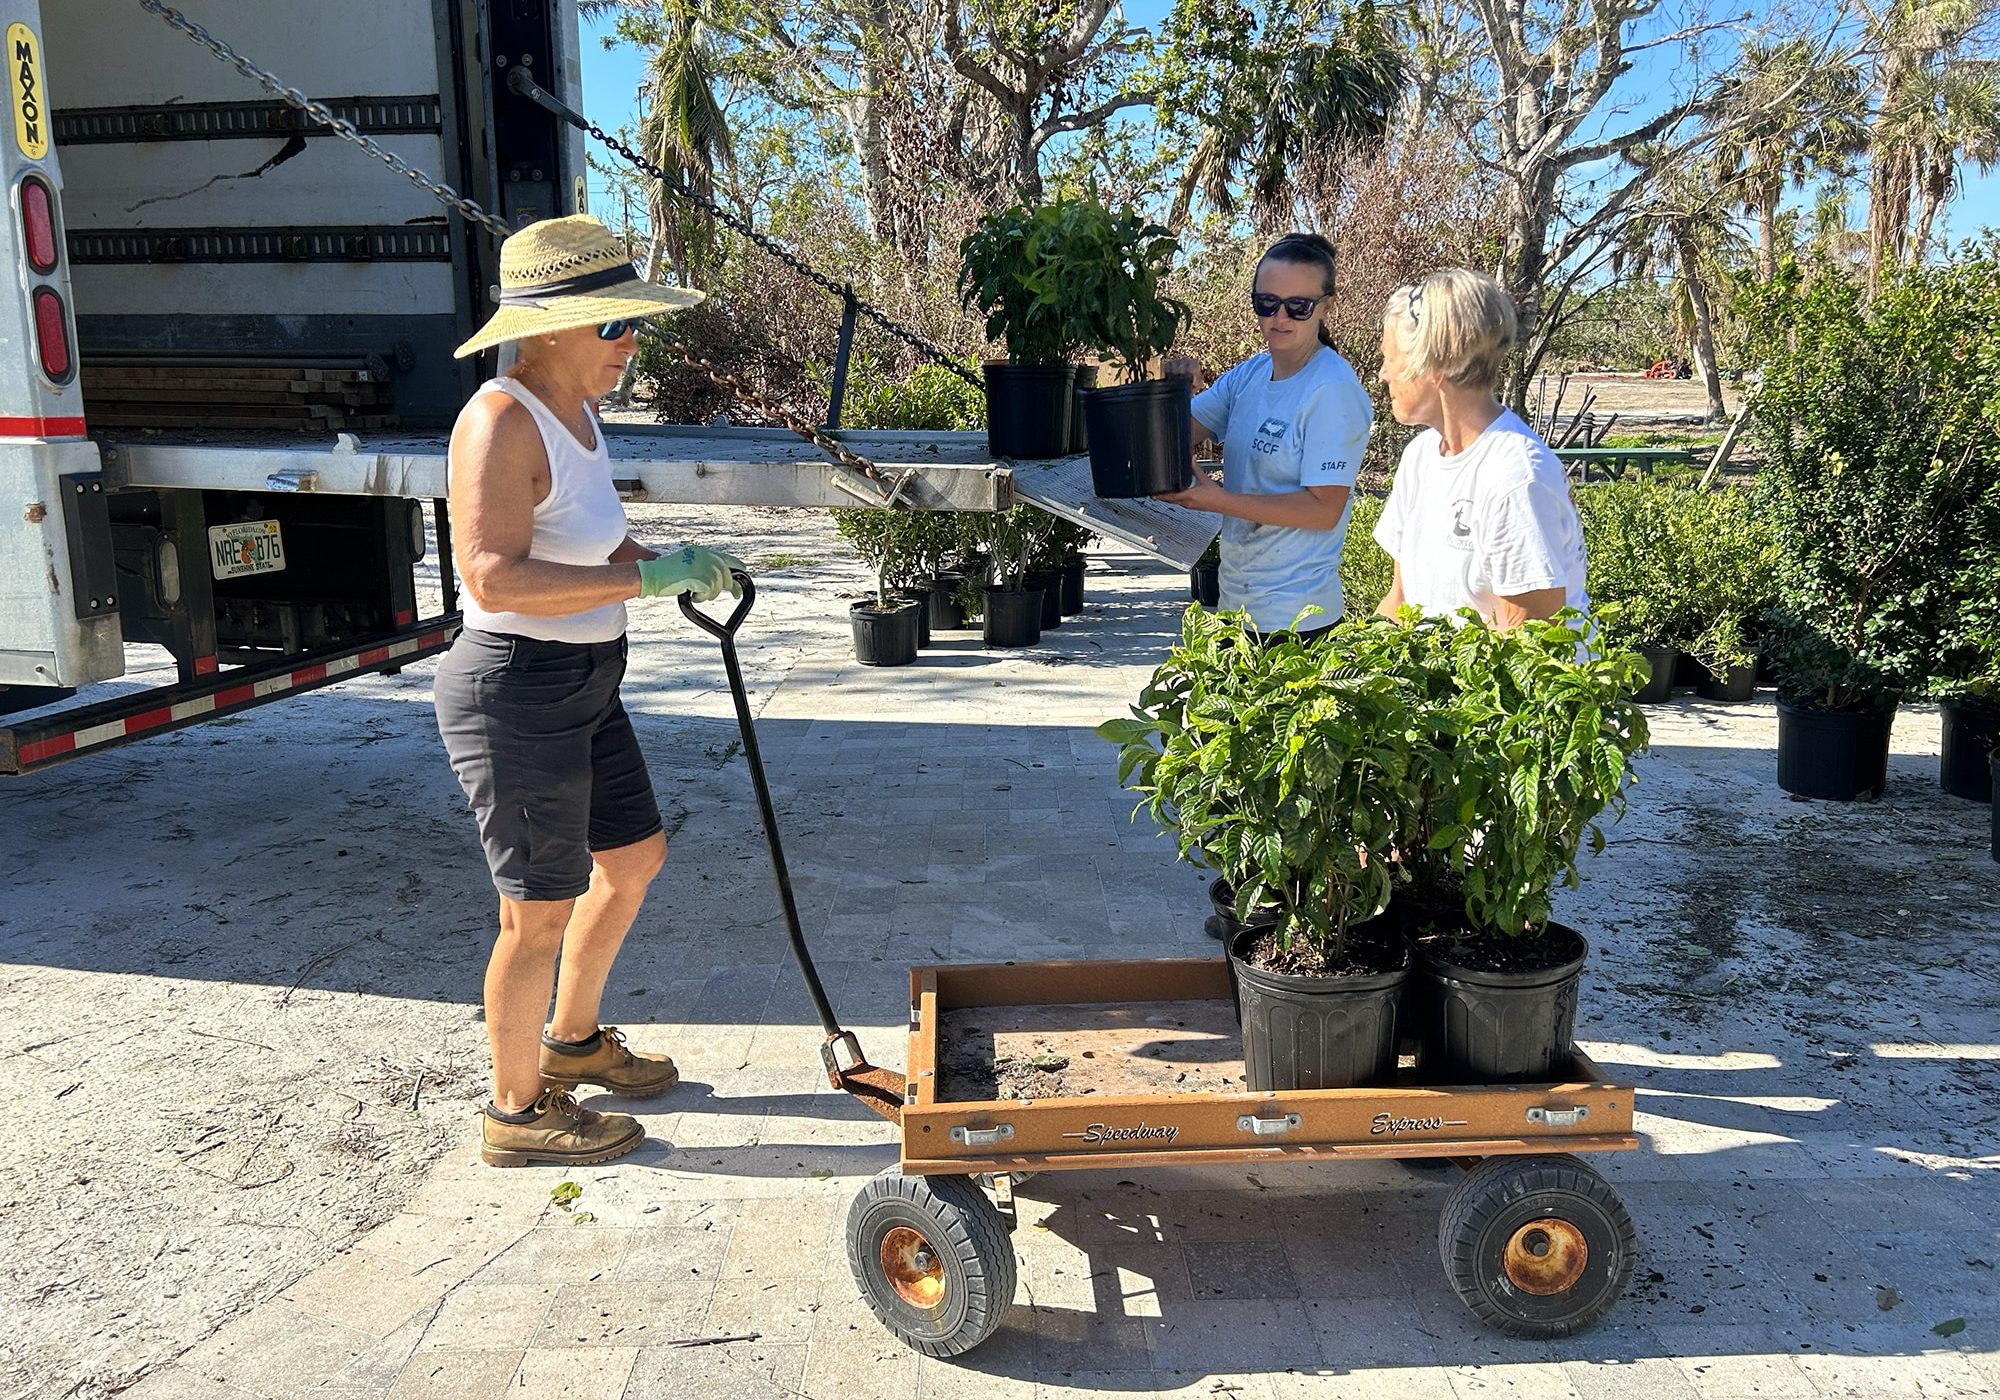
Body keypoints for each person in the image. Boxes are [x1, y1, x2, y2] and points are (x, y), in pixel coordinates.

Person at [435, 214, 744, 1168]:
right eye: (615, 326)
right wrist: (639, 583)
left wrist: (671, 564)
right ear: (552, 325)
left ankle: (571, 1042)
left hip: (587, 678)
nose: (631, 342)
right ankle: (517, 1112)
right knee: (535, 915)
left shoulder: (581, 416)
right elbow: (491, 576)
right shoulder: (498, 419)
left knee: (636, 857)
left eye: (630, 324)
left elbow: (596, 544)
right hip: (516, 687)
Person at [1156, 232, 1373, 637]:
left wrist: (1221, 501)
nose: (1280, 318)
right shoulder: (1251, 374)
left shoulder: (1332, 390)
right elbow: (1175, 437)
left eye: (1299, 307)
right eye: (1267, 303)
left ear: (1328, 306)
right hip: (1236, 610)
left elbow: (1324, 510)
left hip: (1298, 623)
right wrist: (1175, 392)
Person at [1371, 269, 1588, 631]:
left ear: (1434, 365)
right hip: (1439, 682)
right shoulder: (1420, 456)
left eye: (1390, 359)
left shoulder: (1514, 476)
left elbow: (1531, 642)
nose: (1383, 374)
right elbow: (1400, 600)